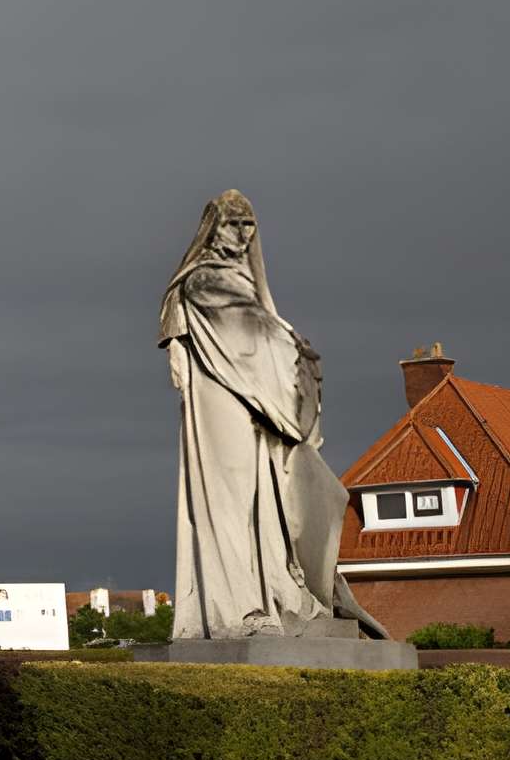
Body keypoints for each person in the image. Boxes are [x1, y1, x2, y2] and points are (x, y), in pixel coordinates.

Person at [158, 190, 385, 640]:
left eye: (249, 225)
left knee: (270, 502)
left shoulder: (242, 284)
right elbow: (248, 338)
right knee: (230, 498)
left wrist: (291, 354)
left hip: (260, 412)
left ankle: (276, 591)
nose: (242, 234)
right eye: (233, 224)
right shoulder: (203, 282)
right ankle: (239, 605)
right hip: (224, 401)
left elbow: (264, 334)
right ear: (212, 228)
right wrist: (289, 349)